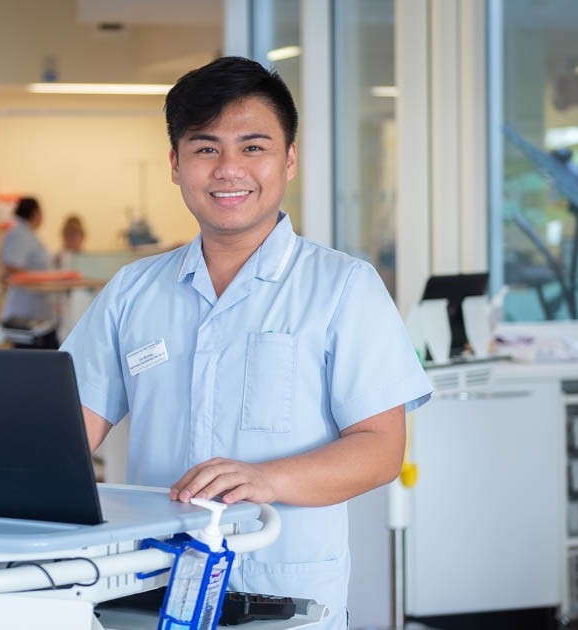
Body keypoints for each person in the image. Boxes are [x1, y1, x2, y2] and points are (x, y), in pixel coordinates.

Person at [59, 56, 432, 629]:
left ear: (289, 160)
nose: (229, 169)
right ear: (176, 164)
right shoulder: (134, 291)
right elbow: (67, 431)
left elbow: (381, 448)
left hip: (281, 598)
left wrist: (268, 480)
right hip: (150, 592)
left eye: (253, 147)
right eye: (206, 148)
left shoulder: (343, 288)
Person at [0, 196, 58, 349]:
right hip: (25, 315)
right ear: (36, 213)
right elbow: (11, 267)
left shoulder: (26, 234)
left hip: (37, 313)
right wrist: (39, 281)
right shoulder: (18, 234)